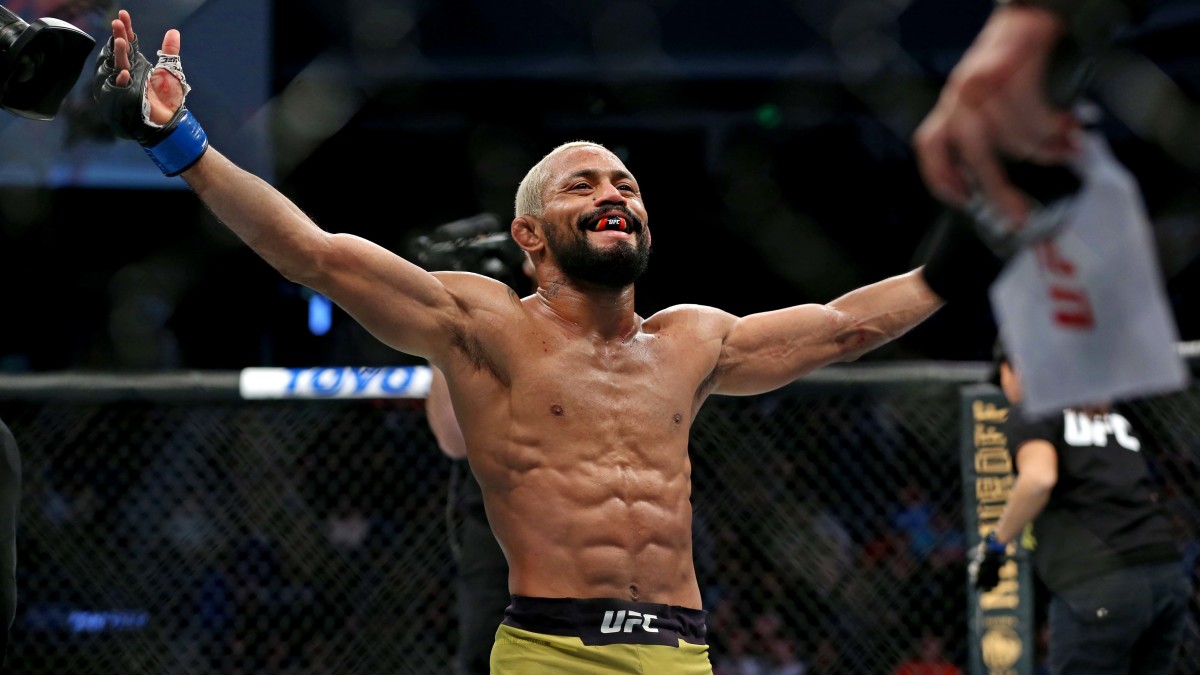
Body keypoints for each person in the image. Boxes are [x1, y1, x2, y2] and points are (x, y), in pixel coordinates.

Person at [94, 11, 945, 672]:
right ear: (530, 236)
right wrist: (184, 144)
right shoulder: (483, 323)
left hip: (683, 651)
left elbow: (845, 325)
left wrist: (972, 258)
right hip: (551, 649)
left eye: (627, 185)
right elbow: (313, 254)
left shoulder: (696, 338)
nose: (614, 194)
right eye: (584, 185)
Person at [969, 340, 1189, 674]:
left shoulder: (1033, 410)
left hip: (1101, 580)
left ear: (1015, 369)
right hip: (1166, 577)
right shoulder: (1109, 416)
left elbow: (1038, 479)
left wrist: (996, 545)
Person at [421, 221, 534, 675]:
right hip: (500, 523)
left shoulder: (604, 323)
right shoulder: (480, 332)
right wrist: (452, 325)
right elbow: (452, 438)